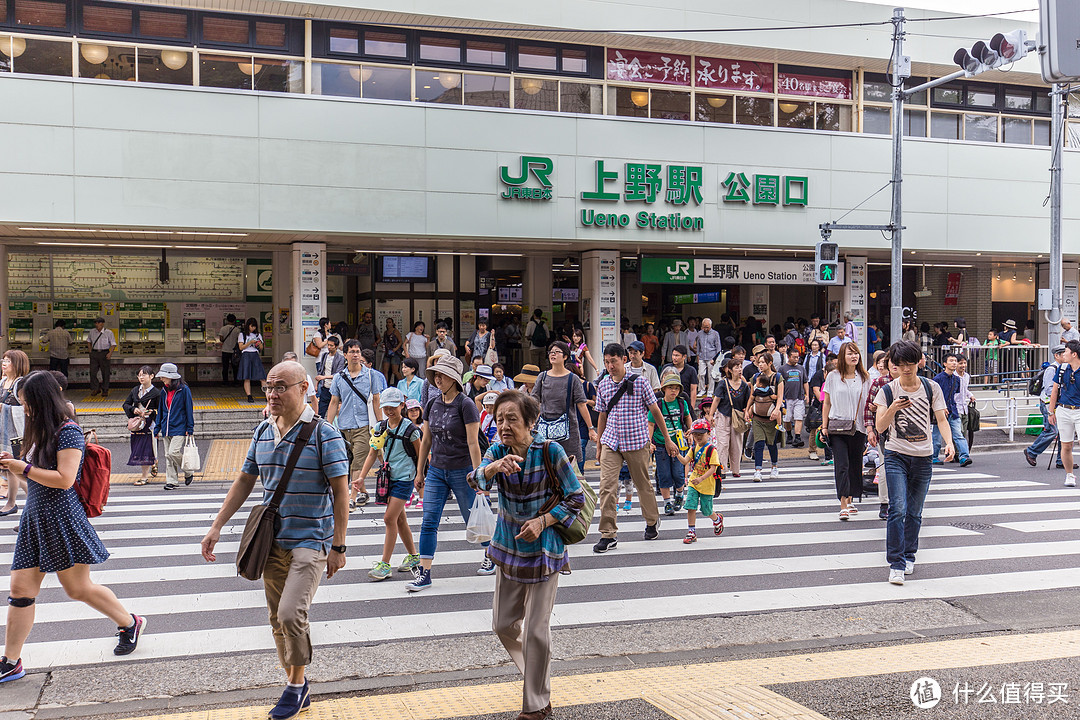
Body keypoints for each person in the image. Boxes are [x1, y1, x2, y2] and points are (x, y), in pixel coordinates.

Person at [200, 362, 348, 719]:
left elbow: (341, 492)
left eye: (281, 387)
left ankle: (295, 688)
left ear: (304, 388)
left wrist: (339, 546)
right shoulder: (263, 431)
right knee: (275, 619)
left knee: (290, 613)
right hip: (272, 539)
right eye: (269, 387)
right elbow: (244, 481)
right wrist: (217, 525)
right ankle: (298, 684)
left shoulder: (324, 434)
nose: (272, 394)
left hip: (311, 539)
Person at [0, 371, 146, 684]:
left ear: (42, 400)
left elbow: (65, 480)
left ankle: (129, 622)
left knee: (78, 589)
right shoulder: (39, 430)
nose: (24, 409)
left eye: (27, 403)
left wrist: (21, 466)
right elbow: (36, 479)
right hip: (35, 519)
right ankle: (11, 661)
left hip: (62, 519)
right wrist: (14, 468)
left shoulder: (68, 432)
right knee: (20, 592)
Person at [468, 390, 583, 720]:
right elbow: (474, 479)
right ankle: (539, 679)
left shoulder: (550, 451)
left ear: (531, 422)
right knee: (503, 625)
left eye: (512, 419)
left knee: (535, 630)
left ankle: (534, 705)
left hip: (546, 550)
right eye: (499, 419)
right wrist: (493, 468)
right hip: (508, 549)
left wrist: (543, 521)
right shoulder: (498, 451)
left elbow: (574, 497)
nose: (504, 425)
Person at [408, 354, 491, 591]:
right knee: (428, 521)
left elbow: (473, 443)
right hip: (436, 471)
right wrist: (420, 471)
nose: (437, 379)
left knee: (472, 518)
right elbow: (426, 441)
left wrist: (478, 477)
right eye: (435, 375)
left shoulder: (465, 405)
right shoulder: (432, 404)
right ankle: (424, 572)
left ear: (454, 379)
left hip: (462, 471)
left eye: (442, 375)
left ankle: (491, 553)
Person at [874, 340, 954, 585]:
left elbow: (941, 419)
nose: (906, 369)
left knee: (914, 512)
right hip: (896, 454)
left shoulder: (932, 388)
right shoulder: (887, 391)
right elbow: (879, 426)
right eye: (900, 365)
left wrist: (950, 443)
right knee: (897, 509)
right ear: (893, 365)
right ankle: (896, 564)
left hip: (923, 456)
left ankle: (909, 555)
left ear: (919, 362)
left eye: (910, 363)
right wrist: (893, 409)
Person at [593, 343, 679, 553]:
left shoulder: (640, 382)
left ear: (624, 360)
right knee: (607, 487)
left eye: (613, 361)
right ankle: (608, 534)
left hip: (637, 441)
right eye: (606, 362)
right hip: (611, 442)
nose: (610, 366)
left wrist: (667, 439)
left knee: (643, 485)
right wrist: (599, 443)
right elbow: (602, 415)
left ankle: (652, 521)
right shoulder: (603, 385)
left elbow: (655, 411)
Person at [357, 387, 422, 582]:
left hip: (405, 479)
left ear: (402, 405)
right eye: (386, 407)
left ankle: (385, 564)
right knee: (399, 520)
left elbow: (421, 455)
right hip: (388, 478)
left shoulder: (411, 429)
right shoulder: (380, 428)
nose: (389, 411)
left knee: (388, 518)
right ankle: (413, 556)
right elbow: (372, 453)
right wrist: (361, 477)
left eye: (394, 406)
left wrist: (420, 477)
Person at [327, 339, 386, 509]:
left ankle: (351, 497)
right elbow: (333, 402)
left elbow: (376, 400)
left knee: (357, 463)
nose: (355, 355)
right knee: (348, 462)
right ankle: (364, 493)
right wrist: (327, 426)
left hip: (364, 426)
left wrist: (380, 424)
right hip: (344, 426)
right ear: (344, 355)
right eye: (352, 352)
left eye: (358, 352)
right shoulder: (339, 377)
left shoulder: (371, 375)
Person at [821, 341, 871, 521]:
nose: (854, 356)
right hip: (837, 427)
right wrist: (824, 426)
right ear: (842, 356)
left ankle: (850, 498)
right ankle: (843, 503)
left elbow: (868, 404)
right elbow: (826, 402)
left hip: (858, 427)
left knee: (855, 464)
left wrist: (870, 426)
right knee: (841, 464)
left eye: (856, 353)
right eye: (850, 353)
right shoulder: (833, 376)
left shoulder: (864, 377)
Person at [531, 342, 595, 467]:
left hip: (568, 432)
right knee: (545, 467)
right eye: (551, 352)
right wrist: (530, 422)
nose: (552, 354)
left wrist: (591, 429)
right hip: (545, 430)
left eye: (557, 352)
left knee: (568, 468)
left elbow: (582, 405)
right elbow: (533, 402)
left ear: (565, 356)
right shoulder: (542, 377)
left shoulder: (573, 379)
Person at [678, 419, 724, 544]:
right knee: (690, 506)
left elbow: (713, 468)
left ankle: (717, 519)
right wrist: (677, 453)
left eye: (701, 434)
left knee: (706, 510)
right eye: (695, 434)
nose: (697, 437)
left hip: (707, 484)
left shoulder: (711, 450)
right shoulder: (693, 448)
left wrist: (702, 478)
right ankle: (691, 532)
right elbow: (684, 461)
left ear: (708, 434)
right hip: (694, 482)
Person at [652, 371, 691, 516]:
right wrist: (650, 442)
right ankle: (667, 502)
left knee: (678, 473)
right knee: (664, 474)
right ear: (664, 389)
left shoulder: (682, 403)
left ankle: (679, 494)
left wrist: (690, 430)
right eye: (670, 387)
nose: (673, 391)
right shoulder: (658, 404)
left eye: (676, 388)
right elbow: (650, 424)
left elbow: (687, 417)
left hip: (678, 443)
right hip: (661, 444)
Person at [153, 363, 195, 491]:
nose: (161, 379)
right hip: (166, 427)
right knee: (168, 455)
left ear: (171, 376)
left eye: (163, 376)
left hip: (180, 426)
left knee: (173, 452)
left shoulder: (184, 389)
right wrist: (157, 427)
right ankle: (172, 481)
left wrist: (190, 427)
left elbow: (189, 408)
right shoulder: (164, 390)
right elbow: (160, 410)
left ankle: (188, 471)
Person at [1025, 345, 1069, 468]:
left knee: (1062, 432)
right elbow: (1050, 389)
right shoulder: (1052, 369)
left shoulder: (1064, 368)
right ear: (1057, 356)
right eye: (1063, 354)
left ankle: (1062, 460)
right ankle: (1031, 451)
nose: (1066, 356)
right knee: (1052, 431)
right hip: (1048, 403)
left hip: (1058, 404)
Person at [865, 357, 898, 519]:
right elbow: (868, 408)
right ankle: (884, 503)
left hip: (908, 434)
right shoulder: (880, 383)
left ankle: (899, 502)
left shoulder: (914, 383)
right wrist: (870, 430)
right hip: (885, 434)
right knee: (884, 469)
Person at [708, 358, 750, 479]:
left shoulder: (744, 385)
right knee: (723, 443)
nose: (739, 370)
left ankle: (736, 469)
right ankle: (722, 469)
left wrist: (747, 412)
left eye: (740, 367)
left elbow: (748, 402)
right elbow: (716, 400)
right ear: (730, 370)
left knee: (737, 444)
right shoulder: (723, 383)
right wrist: (711, 415)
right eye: (736, 367)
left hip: (737, 418)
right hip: (723, 415)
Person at [0, 350, 30, 517]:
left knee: (15, 467)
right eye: (3, 360)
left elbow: (26, 409)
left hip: (17, 434)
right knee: (10, 467)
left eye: (8, 361)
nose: (4, 363)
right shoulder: (3, 381)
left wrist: (4, 408)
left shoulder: (20, 383)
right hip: (5, 432)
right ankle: (11, 503)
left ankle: (33, 499)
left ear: (18, 364)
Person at [1048, 340, 1080, 487]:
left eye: (1065, 351)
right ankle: (1069, 475)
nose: (1063, 354)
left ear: (1074, 354)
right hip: (1064, 410)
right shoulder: (1062, 369)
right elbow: (1055, 390)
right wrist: (1051, 411)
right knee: (1066, 445)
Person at [930, 354, 972, 467]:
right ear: (944, 364)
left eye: (955, 361)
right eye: (951, 361)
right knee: (936, 436)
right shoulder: (938, 379)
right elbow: (932, 395)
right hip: (940, 411)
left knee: (958, 434)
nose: (954, 363)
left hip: (953, 410)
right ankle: (934, 456)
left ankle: (964, 456)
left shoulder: (956, 379)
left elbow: (955, 394)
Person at [746, 354, 782, 482]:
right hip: (757, 417)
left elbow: (780, 397)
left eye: (763, 362)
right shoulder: (755, 378)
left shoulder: (777, 378)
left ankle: (774, 466)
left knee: (771, 443)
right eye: (759, 362)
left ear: (770, 363)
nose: (760, 364)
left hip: (771, 417)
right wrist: (747, 410)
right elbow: (751, 396)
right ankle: (758, 470)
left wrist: (777, 410)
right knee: (758, 443)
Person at [123, 365, 160, 486]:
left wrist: (152, 412)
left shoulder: (156, 393)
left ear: (151, 376)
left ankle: (144, 476)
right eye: (139, 375)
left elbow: (162, 410)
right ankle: (153, 462)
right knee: (139, 448)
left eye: (144, 374)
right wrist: (133, 409)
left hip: (150, 426)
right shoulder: (135, 390)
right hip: (138, 424)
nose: (141, 377)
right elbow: (126, 404)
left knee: (146, 449)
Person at [779, 348, 809, 448]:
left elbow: (805, 382)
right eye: (794, 357)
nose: (796, 359)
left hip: (799, 397)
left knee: (798, 417)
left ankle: (797, 437)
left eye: (798, 357)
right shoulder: (783, 369)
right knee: (787, 418)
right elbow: (780, 383)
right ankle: (789, 435)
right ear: (788, 356)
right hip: (786, 398)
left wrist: (807, 394)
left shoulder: (801, 368)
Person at [237, 317, 266, 404]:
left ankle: (267, 395)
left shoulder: (258, 335)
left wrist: (258, 343)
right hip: (246, 355)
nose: (253, 328)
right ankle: (249, 396)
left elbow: (261, 348)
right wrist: (250, 342)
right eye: (252, 326)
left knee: (262, 377)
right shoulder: (242, 335)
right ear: (248, 325)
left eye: (254, 327)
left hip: (255, 355)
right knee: (247, 377)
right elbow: (241, 347)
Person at [313, 335, 344, 418]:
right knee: (321, 411)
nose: (329, 347)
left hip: (335, 388)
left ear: (336, 346)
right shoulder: (324, 355)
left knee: (336, 411)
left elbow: (338, 374)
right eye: (328, 345)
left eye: (331, 345)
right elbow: (321, 371)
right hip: (325, 387)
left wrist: (323, 377)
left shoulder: (340, 358)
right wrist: (317, 384)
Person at [86, 317, 116, 398]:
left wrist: (110, 353)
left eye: (98, 323)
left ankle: (105, 389)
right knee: (92, 372)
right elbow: (88, 341)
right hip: (94, 353)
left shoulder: (109, 332)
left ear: (103, 323)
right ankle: (95, 388)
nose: (97, 324)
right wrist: (90, 351)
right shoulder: (92, 332)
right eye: (95, 323)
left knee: (105, 372)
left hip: (104, 353)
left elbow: (113, 344)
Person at [695, 317, 722, 397]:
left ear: (710, 326)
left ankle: (710, 391)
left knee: (711, 375)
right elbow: (698, 345)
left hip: (711, 357)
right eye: (704, 327)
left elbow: (718, 347)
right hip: (702, 356)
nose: (705, 329)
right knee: (701, 374)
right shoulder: (699, 333)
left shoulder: (715, 333)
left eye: (707, 327)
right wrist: (698, 355)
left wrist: (716, 359)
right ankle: (702, 390)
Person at [380, 318, 404, 384]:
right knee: (385, 370)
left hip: (395, 353)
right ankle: (385, 385)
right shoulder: (385, 332)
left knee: (395, 371)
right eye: (387, 322)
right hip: (387, 353)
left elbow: (400, 341)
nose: (388, 324)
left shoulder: (395, 331)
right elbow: (385, 341)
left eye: (390, 322)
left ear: (393, 323)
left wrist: (396, 348)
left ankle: (403, 384)